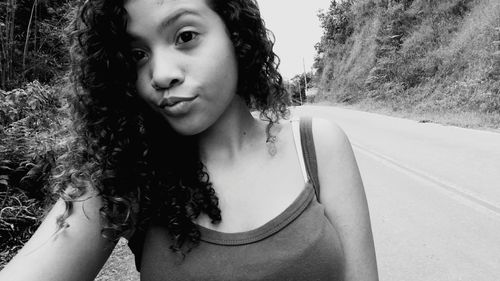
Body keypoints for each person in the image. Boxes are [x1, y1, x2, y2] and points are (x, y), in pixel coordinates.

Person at [0, 0, 378, 280]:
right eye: (137, 54)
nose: (160, 74)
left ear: (234, 33)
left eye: (185, 36)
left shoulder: (315, 146)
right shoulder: (125, 175)